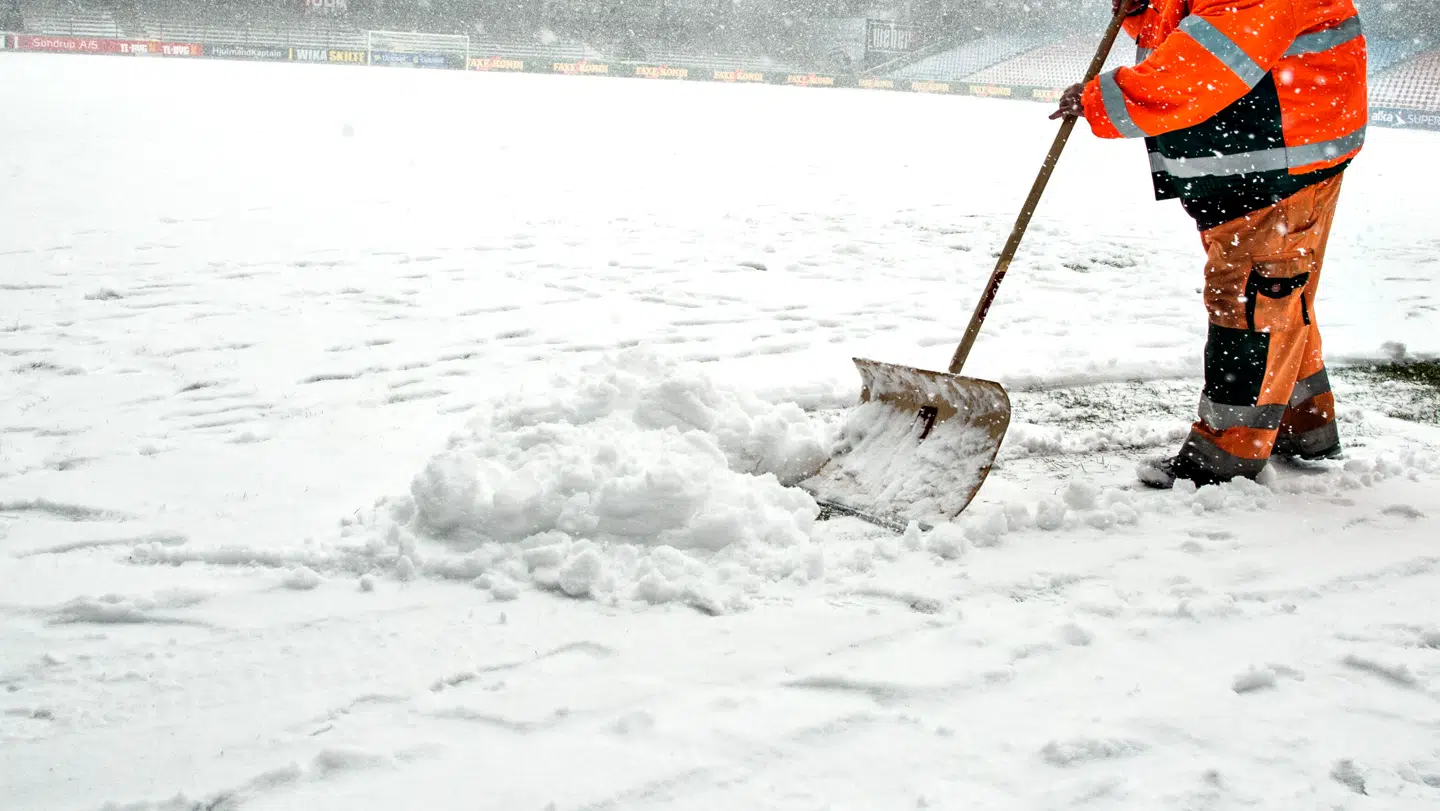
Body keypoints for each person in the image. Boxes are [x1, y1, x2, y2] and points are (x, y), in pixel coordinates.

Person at [1051, 0, 1369, 489]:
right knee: (1276, 297)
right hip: (1260, 158)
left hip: (1279, 158)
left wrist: (1101, 101)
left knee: (1250, 302)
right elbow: (1191, 24)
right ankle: (1302, 427)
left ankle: (1228, 452)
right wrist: (1146, 9)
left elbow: (1207, 62)